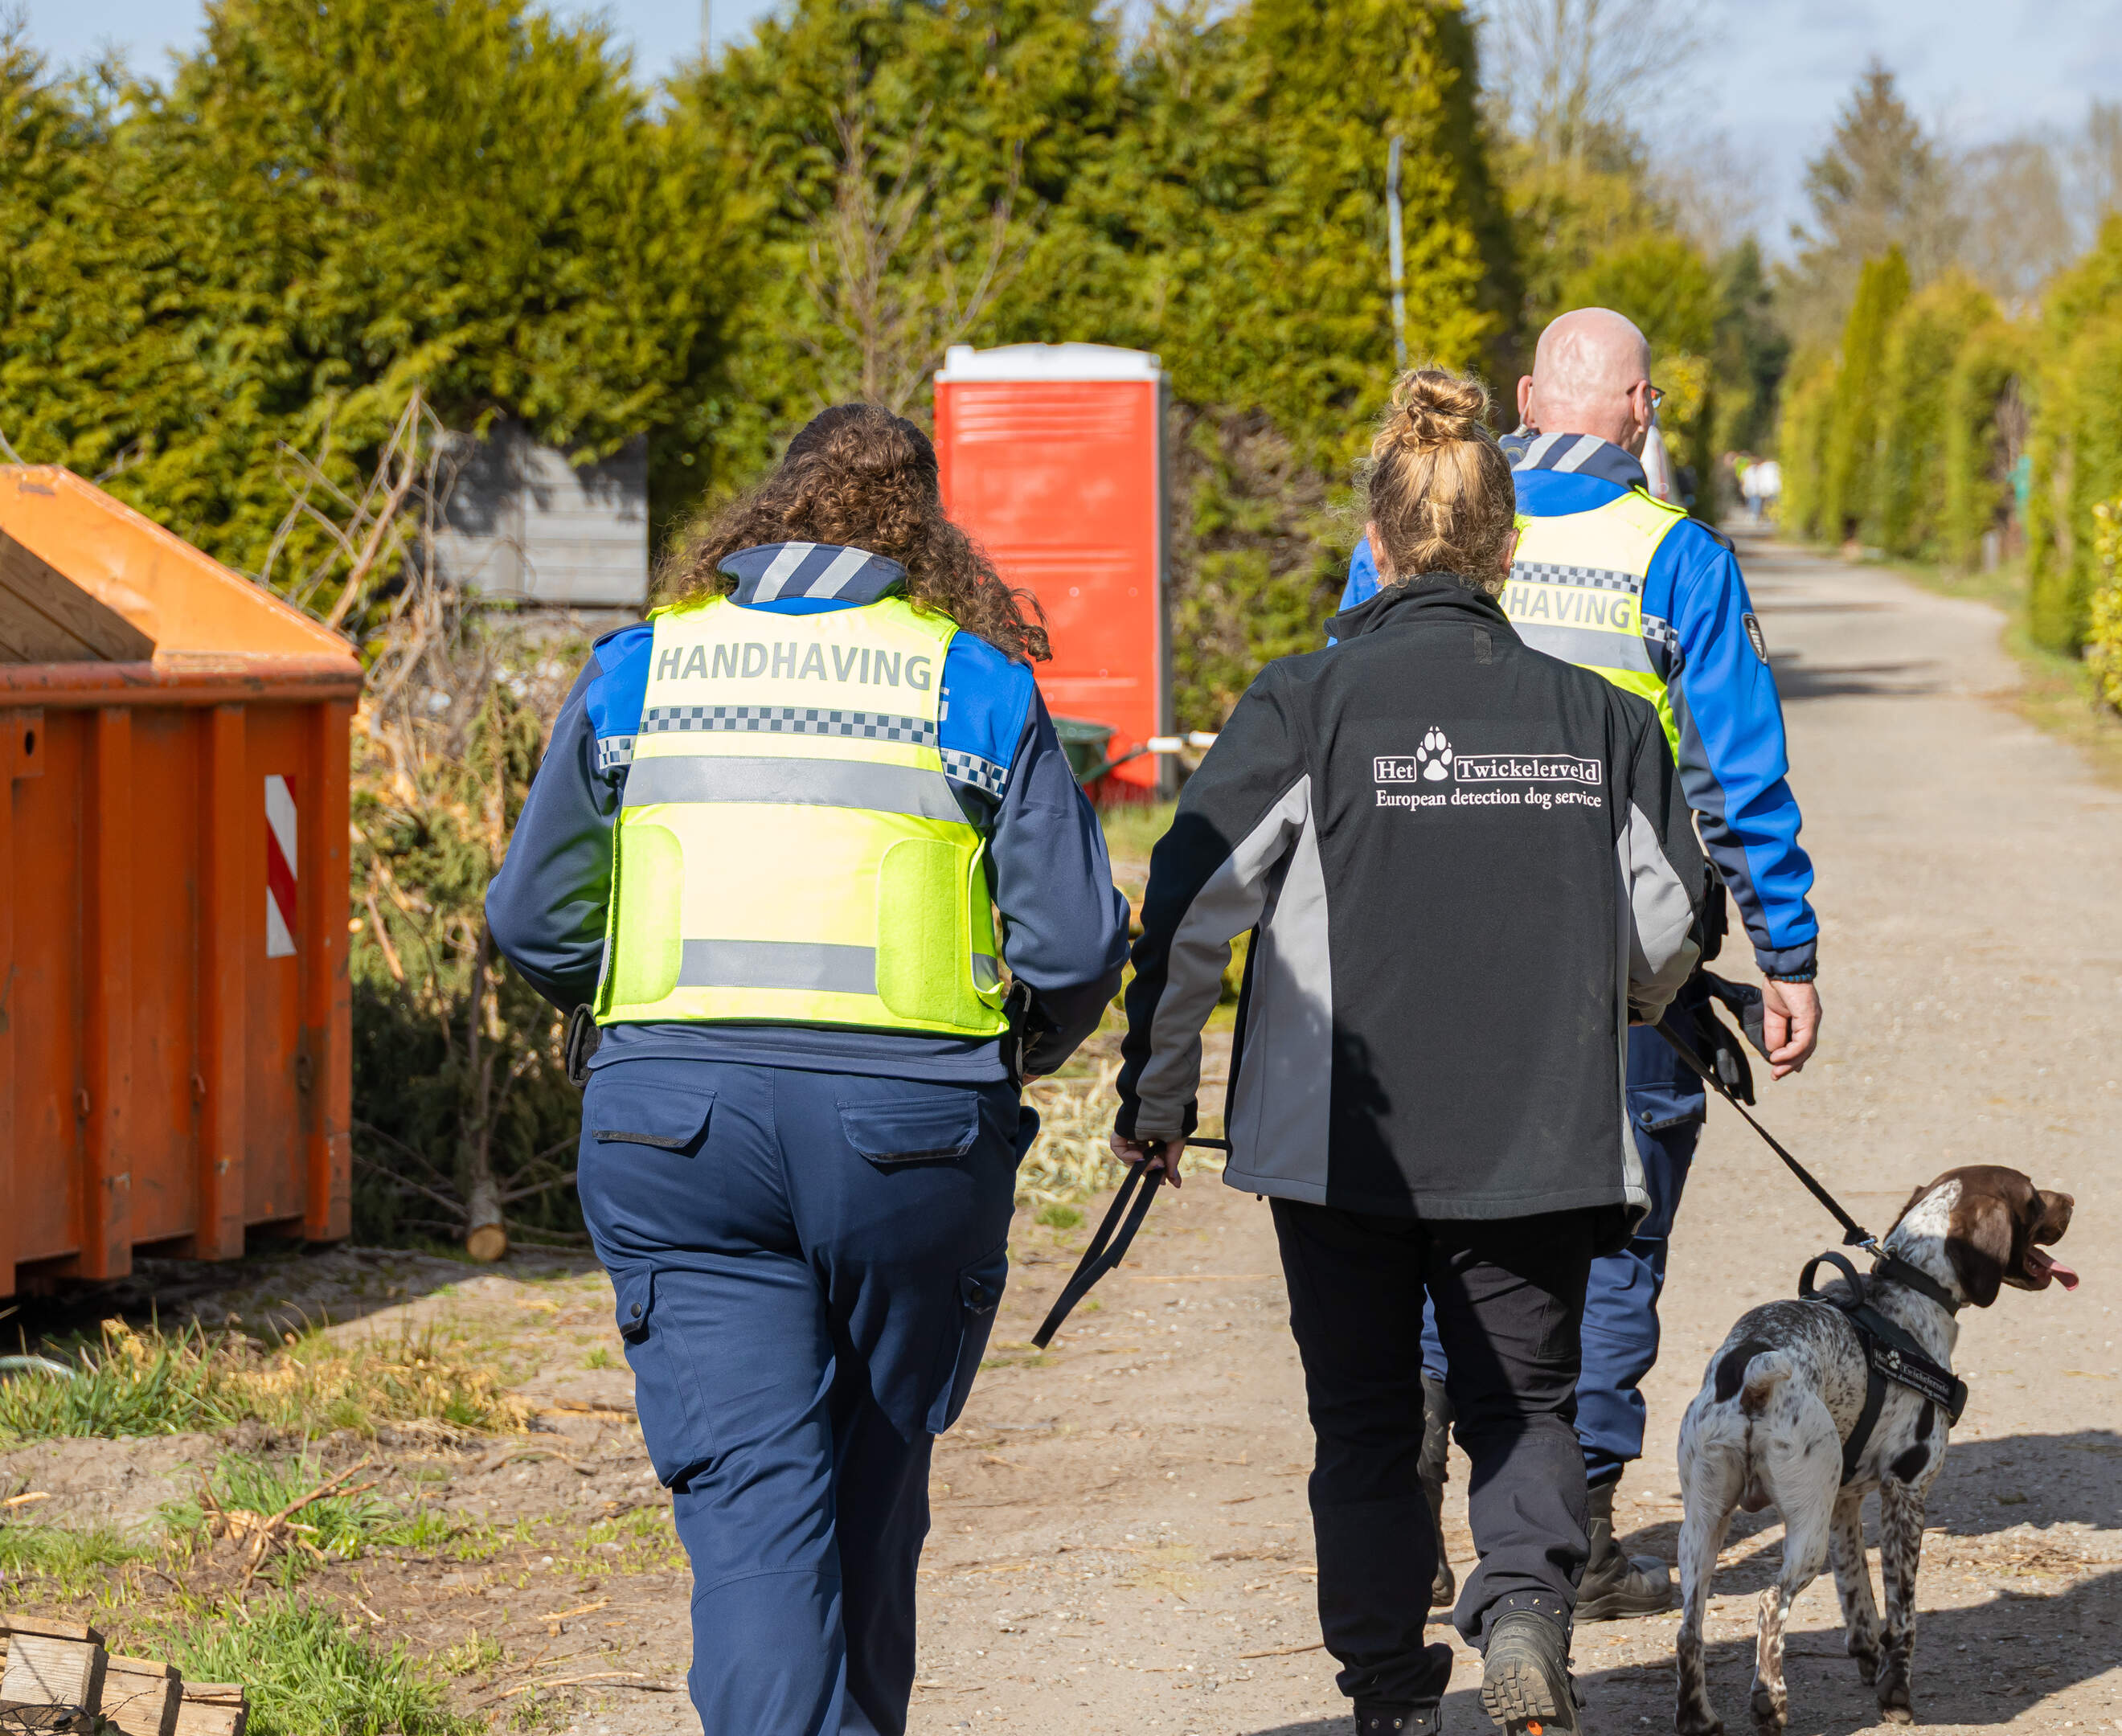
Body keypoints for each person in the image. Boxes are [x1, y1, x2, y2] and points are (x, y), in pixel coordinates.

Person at [486, 405, 1129, 1735]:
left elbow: (533, 920)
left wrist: (621, 1019)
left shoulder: (637, 674)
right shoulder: (975, 683)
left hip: (675, 1139)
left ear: (772, 510)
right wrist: (1021, 1052)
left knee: (753, 1511)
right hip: (909, 1142)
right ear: (925, 531)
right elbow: (1073, 941)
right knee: (874, 1481)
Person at [1117, 368, 1704, 1736]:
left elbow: (1190, 904)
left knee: (1370, 1423)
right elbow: (1673, 925)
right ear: (1511, 547)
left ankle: (1389, 1693)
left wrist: (1157, 1095)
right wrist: (1606, 1005)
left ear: (1373, 546)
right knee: (1530, 1401)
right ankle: (1522, 1618)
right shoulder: (1601, 717)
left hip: (1343, 1152)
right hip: (1545, 1132)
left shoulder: (1302, 704)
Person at [1340, 307, 1822, 1619]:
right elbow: (1737, 779)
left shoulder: (1413, 521)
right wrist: (1786, 951)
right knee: (1615, 1233)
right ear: (1644, 409)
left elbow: (1347, 715)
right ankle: (1584, 1528)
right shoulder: (1676, 557)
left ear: (1522, 395)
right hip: (1621, 969)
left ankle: (1430, 1473)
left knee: (1445, 1222)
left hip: (1420, 953)